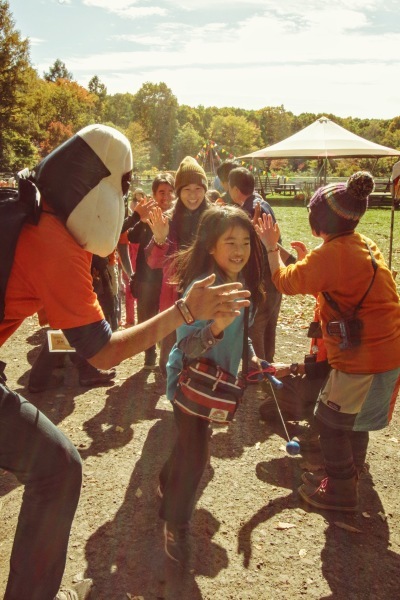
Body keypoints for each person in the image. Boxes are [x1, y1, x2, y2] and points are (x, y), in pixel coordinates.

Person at [0, 124, 251, 600]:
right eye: (121, 183)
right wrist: (184, 311)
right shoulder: (52, 241)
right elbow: (104, 350)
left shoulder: (18, 200)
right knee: (57, 469)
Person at [255, 171, 400, 512]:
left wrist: (271, 246)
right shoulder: (365, 244)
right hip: (389, 352)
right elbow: (327, 277)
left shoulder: (329, 256)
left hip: (361, 360)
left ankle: (339, 491)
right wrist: (305, 258)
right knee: (355, 420)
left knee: (331, 424)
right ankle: (351, 474)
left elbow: (284, 282)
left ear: (318, 219)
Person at [158, 204, 265, 566]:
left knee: (189, 444)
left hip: (216, 384)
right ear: (210, 247)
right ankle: (175, 523)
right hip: (189, 383)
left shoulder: (240, 283)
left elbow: (243, 332)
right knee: (198, 453)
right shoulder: (201, 290)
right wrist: (215, 328)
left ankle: (164, 479)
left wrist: (254, 361)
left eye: (246, 242)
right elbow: (184, 346)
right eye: (230, 242)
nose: (239, 251)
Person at [145, 156, 210, 376]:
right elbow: (153, 262)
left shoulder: (214, 219)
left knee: (203, 356)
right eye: (187, 189)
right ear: (179, 192)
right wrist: (160, 239)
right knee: (169, 361)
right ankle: (174, 395)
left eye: (198, 188)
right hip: (174, 297)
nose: (193, 195)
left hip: (205, 295)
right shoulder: (168, 219)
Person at [228, 166, 296, 362]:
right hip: (275, 271)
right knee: (269, 324)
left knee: (257, 325)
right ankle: (269, 366)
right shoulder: (261, 203)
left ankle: (260, 370)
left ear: (234, 189)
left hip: (262, 277)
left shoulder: (251, 209)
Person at [124, 172, 175, 368]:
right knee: (146, 316)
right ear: (154, 194)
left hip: (169, 277)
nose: (166, 197)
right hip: (147, 277)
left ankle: (167, 354)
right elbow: (133, 238)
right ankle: (149, 354)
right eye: (161, 192)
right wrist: (143, 221)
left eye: (170, 192)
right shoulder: (148, 215)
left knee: (168, 316)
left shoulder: (177, 215)